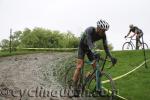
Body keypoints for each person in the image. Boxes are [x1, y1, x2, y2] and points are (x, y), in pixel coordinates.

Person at [72, 19, 116, 96]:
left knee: (97, 70)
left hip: (90, 49)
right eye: (103, 30)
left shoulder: (103, 35)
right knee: (79, 67)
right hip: (82, 48)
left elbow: (106, 48)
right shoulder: (89, 30)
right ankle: (74, 88)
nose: (104, 32)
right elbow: (89, 42)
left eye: (105, 31)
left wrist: (111, 57)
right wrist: (94, 52)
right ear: (98, 28)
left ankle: (98, 88)